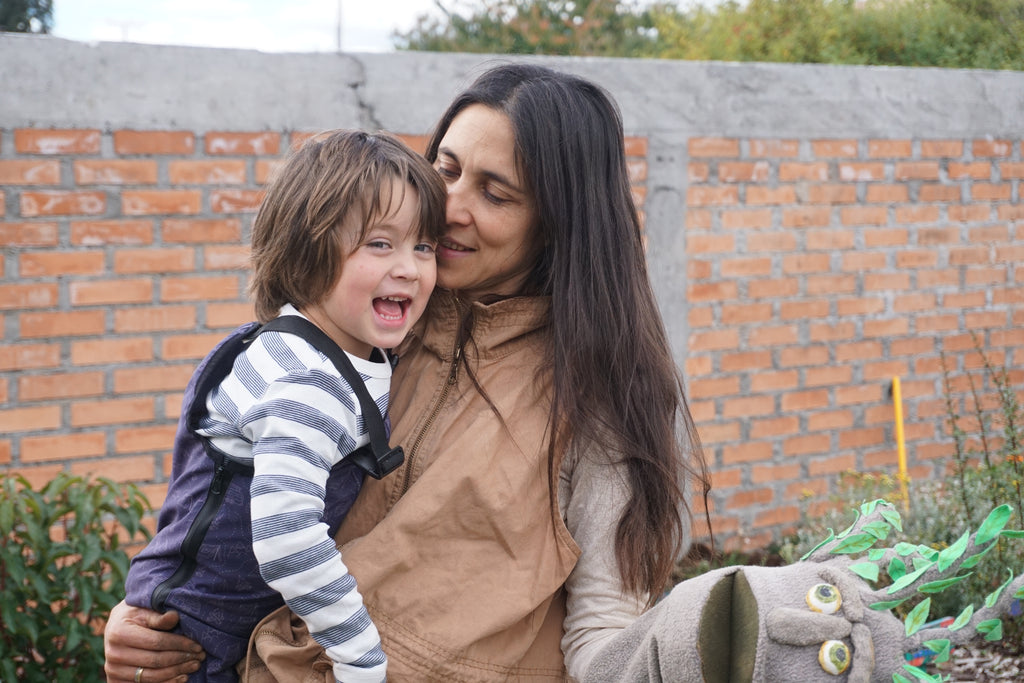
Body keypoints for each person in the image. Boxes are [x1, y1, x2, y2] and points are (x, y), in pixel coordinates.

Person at [104, 63, 710, 683]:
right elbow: (233, 493)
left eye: (495, 194)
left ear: (560, 221)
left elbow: (603, 626)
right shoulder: (363, 326)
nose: (448, 207)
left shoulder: (597, 394)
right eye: (445, 170)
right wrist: (148, 611)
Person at [120, 130, 447, 683]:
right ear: (307, 249)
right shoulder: (307, 381)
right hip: (201, 640)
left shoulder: (333, 345)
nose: (411, 269)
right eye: (380, 244)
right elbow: (288, 537)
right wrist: (361, 659)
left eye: (424, 246)